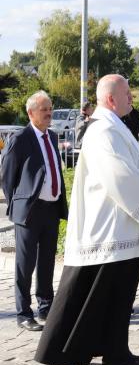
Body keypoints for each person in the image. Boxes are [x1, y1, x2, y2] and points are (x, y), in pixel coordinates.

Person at [35, 74, 139, 365]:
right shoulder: (103, 130)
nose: (132, 97)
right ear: (110, 98)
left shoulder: (113, 126)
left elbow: (130, 170)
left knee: (118, 297)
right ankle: (113, 355)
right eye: (127, 93)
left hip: (122, 227)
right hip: (110, 230)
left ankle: (117, 351)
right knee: (109, 297)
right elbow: (118, 175)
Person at [1, 91, 68, 331]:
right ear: (31, 113)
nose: (49, 113)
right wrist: (18, 203)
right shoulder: (20, 139)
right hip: (29, 211)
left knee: (47, 261)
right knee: (25, 264)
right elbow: (7, 177)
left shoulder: (52, 136)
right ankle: (23, 313)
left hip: (51, 209)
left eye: (50, 108)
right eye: (44, 109)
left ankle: (46, 307)